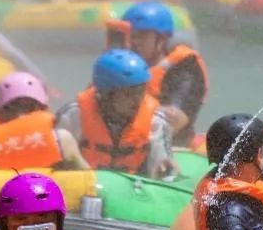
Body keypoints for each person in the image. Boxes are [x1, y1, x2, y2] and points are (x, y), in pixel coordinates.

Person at [56, 49, 175, 179]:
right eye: (128, 94)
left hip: (133, 192)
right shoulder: (73, 115)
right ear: (106, 94)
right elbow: (56, 164)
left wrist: (165, 171)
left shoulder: (156, 121)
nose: (137, 100)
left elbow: (164, 173)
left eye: (140, 92)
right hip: (84, 188)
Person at [115, 0, 207, 147]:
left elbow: (175, 119)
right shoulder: (115, 65)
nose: (133, 42)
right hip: (115, 144)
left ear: (162, 39)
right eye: (130, 36)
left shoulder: (185, 68)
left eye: (142, 36)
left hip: (171, 146)